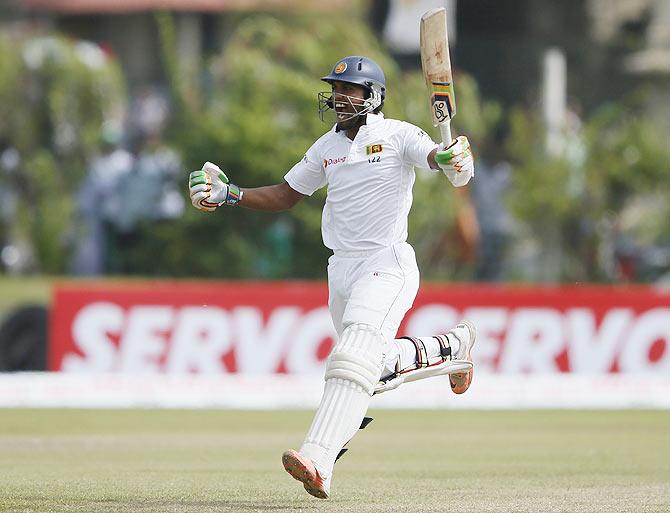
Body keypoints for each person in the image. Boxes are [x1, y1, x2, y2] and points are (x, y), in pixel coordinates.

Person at [188, 56, 477, 499]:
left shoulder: (398, 134)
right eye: (337, 88)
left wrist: (452, 157)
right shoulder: (326, 146)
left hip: (387, 263)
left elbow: (434, 157)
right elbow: (286, 195)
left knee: (352, 358)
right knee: (370, 367)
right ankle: (451, 346)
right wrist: (231, 194)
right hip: (341, 269)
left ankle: (319, 459)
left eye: (351, 89)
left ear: (373, 96)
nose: (341, 97)